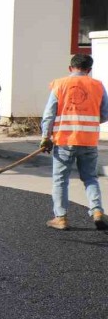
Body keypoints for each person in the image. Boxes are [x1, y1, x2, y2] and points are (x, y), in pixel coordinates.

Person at [40, 54, 108, 231]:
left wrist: (45, 137)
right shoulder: (98, 85)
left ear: (70, 68)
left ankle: (60, 218)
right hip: (89, 140)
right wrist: (89, 121)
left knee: (60, 180)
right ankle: (97, 211)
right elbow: (106, 113)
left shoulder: (60, 84)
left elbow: (49, 114)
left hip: (65, 140)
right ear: (89, 69)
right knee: (90, 178)